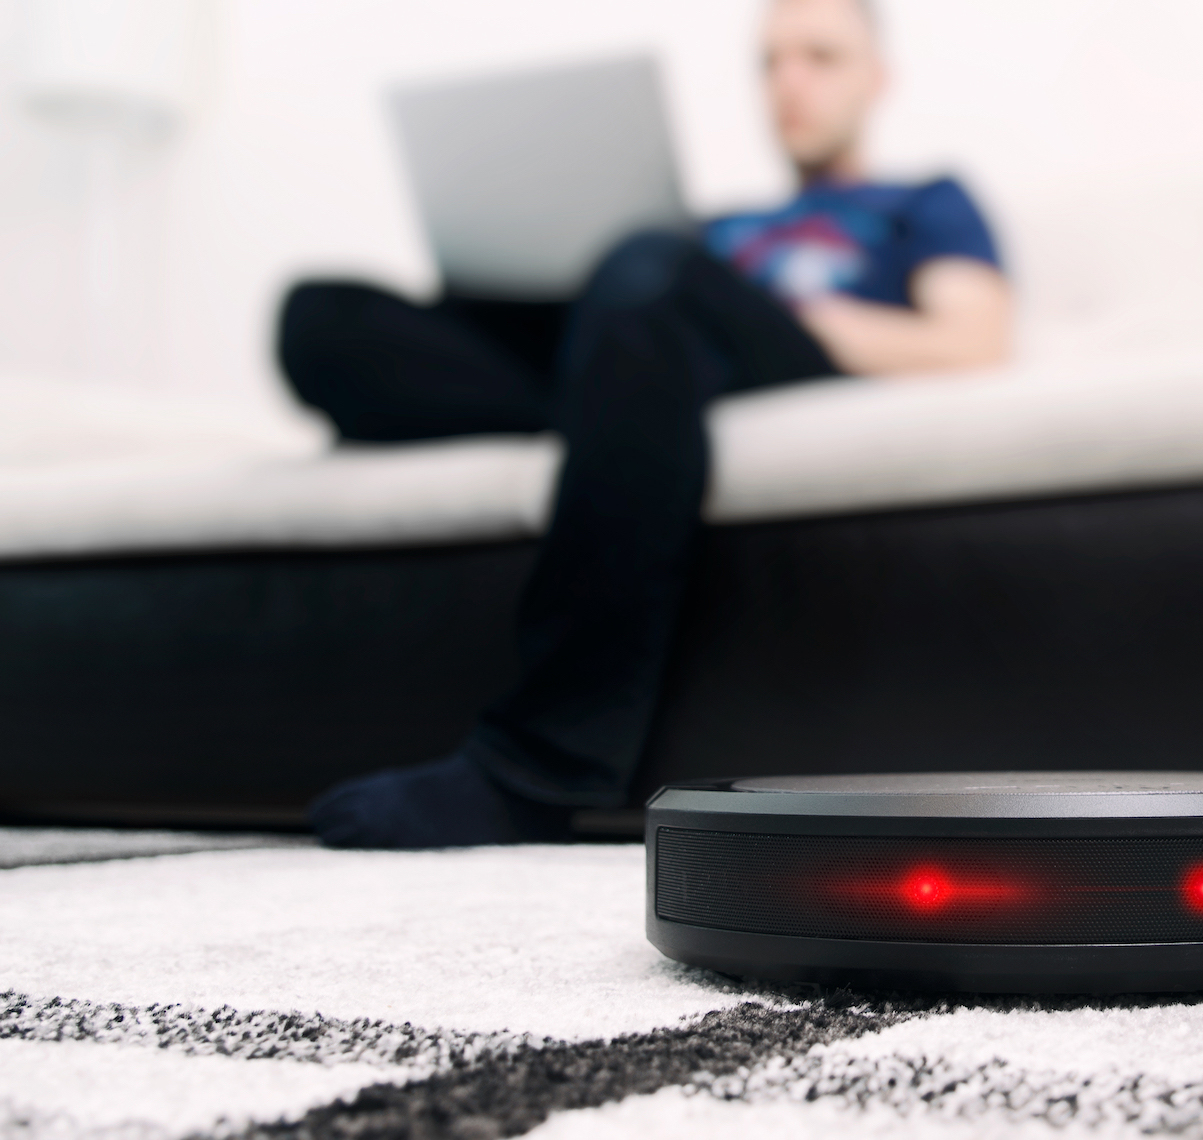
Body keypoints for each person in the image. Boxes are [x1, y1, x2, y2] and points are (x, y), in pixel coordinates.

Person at [281, 0, 1012, 848]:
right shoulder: (716, 225)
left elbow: (972, 342)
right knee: (323, 318)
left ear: (878, 78)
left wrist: (781, 307)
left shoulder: (923, 199)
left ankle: (538, 767)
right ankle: (610, 403)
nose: (790, 83)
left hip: (772, 357)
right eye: (770, 62)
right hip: (642, 355)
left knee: (648, 268)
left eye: (820, 57)